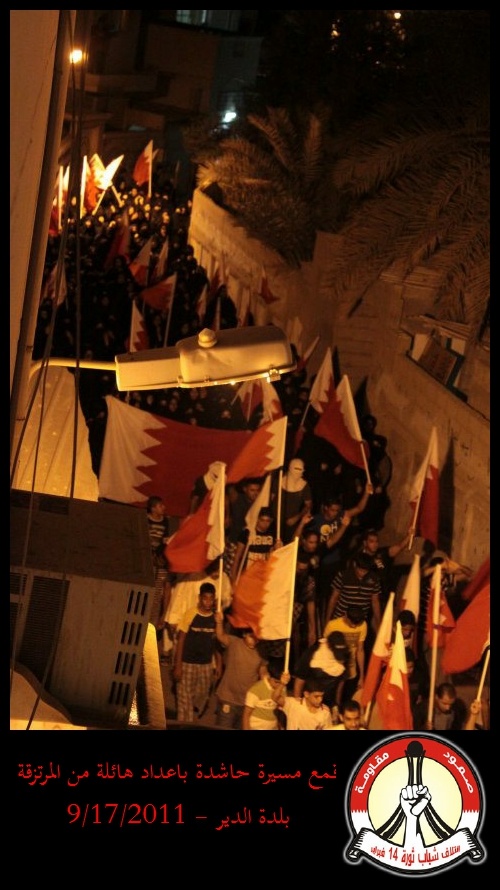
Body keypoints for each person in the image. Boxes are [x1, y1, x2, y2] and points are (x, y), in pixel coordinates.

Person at [173, 582, 222, 723]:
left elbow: (218, 642)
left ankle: (193, 715)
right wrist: (178, 665)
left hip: (205, 664)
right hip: (187, 662)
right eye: (205, 598)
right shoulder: (191, 614)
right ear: (200, 598)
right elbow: (181, 639)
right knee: (184, 698)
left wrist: (219, 663)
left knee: (203, 693)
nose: (208, 602)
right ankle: (184, 723)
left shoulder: (216, 618)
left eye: (211, 599)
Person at [213, 612, 268, 729]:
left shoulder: (261, 651)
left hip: (247, 702)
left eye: (256, 637)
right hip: (228, 698)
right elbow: (220, 636)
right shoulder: (234, 643)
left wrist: (270, 684)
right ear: (244, 634)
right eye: (251, 636)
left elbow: (263, 672)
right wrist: (219, 622)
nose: (254, 640)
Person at [325, 552, 382, 636]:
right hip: (341, 617)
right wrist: (327, 620)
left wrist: (379, 622)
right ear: (355, 565)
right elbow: (333, 598)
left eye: (365, 571)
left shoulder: (374, 578)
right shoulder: (344, 575)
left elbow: (375, 602)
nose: (363, 573)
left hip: (359, 620)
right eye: (361, 570)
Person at [292, 631, 348, 709]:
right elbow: (299, 680)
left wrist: (336, 704)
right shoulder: (312, 654)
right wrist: (297, 704)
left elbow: (341, 682)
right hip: (309, 700)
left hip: (329, 702)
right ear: (329, 646)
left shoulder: (345, 655)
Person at [324, 605, 368, 704]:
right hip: (334, 670)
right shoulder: (332, 625)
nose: (354, 626)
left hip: (351, 671)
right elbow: (325, 648)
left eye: (357, 623)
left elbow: (360, 650)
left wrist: (361, 676)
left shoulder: (363, 625)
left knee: (347, 700)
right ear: (345, 616)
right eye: (352, 623)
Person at [146, 495, 173, 652]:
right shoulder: (146, 520)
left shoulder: (165, 521)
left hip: (159, 560)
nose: (163, 508)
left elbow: (165, 540)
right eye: (160, 506)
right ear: (153, 508)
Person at [229, 506, 280, 586]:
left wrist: (278, 549)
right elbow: (237, 557)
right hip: (247, 575)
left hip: (262, 575)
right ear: (257, 519)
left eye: (268, 521)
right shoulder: (247, 533)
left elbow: (273, 555)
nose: (265, 524)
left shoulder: (272, 534)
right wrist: (234, 578)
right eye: (262, 520)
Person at [242, 659, 288, 730]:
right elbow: (246, 714)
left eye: (280, 683)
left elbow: (281, 710)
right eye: (276, 682)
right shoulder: (256, 689)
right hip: (255, 727)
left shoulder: (282, 687)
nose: (278, 685)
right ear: (269, 676)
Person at [277, 457, 313, 544]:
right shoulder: (279, 482)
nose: (301, 471)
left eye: (302, 469)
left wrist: (296, 518)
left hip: (293, 524)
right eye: (297, 469)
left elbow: (308, 505)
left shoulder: (304, 486)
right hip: (276, 522)